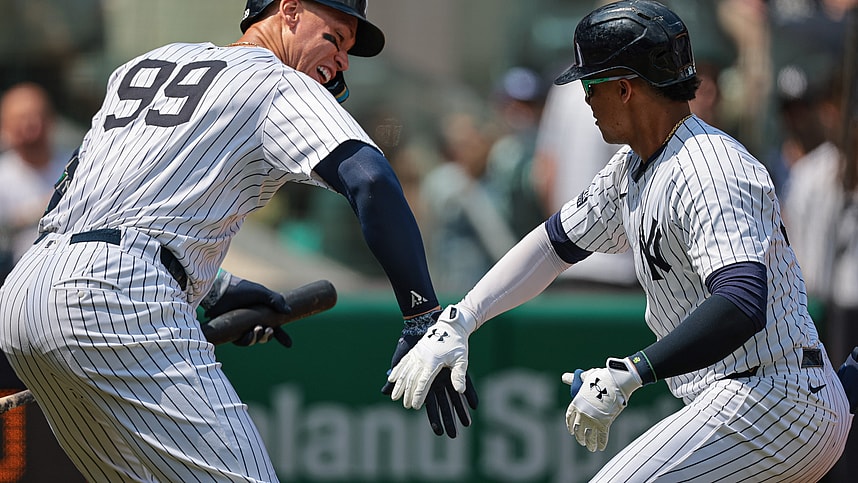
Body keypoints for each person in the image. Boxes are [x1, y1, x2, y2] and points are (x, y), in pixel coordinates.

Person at [0, 0, 476, 480]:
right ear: (289, 11)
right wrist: (422, 315)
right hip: (112, 297)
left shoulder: (147, 64)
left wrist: (216, 288)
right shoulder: (274, 80)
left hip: (26, 292)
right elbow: (371, 181)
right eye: (335, 36)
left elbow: (121, 200)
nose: (344, 60)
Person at [386, 1, 852, 481]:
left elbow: (742, 301)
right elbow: (551, 246)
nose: (585, 99)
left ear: (626, 88)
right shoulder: (632, 169)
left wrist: (630, 372)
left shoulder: (713, 168)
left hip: (773, 401)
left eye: (590, 85)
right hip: (752, 399)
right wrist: (461, 319)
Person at [0, 82, 68, 282]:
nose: (30, 125)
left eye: (36, 116)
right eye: (20, 119)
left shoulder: (77, 167)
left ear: (51, 120)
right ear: (5, 126)